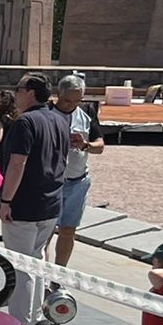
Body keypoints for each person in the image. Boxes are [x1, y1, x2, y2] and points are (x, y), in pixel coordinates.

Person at [0, 73, 71, 325]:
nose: (16, 95)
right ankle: (37, 315)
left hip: (24, 204)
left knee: (20, 264)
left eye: (19, 89)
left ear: (31, 92)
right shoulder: (59, 120)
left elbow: (18, 163)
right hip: (50, 203)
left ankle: (19, 323)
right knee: (37, 260)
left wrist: (6, 200)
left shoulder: (24, 123)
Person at [52, 75, 105, 266]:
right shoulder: (48, 113)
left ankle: (59, 274)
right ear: (58, 94)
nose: (72, 105)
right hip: (52, 181)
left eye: (77, 101)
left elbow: (100, 145)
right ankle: (42, 272)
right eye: (67, 101)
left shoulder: (87, 113)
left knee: (68, 230)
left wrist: (85, 145)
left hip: (77, 181)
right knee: (46, 230)